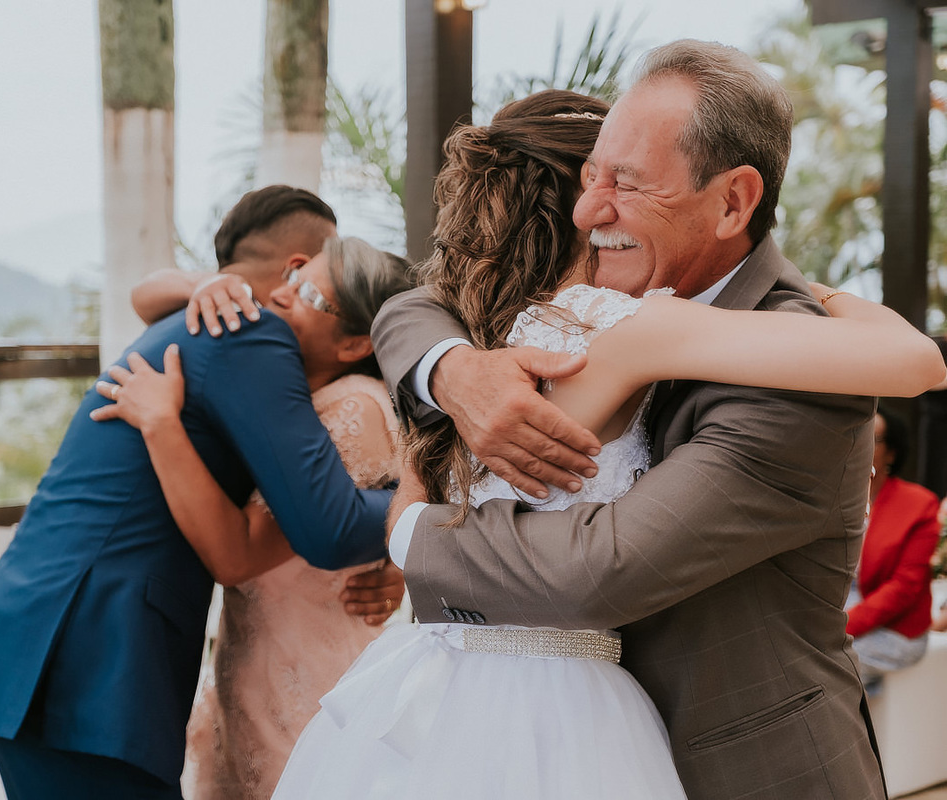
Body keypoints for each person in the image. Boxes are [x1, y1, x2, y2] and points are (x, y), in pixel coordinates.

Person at [332, 42, 945, 799]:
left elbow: (598, 569)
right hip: (538, 747)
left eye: (626, 183)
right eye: (591, 177)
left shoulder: (807, 366)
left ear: (733, 201)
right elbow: (417, 303)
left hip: (736, 770)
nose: (592, 211)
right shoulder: (595, 296)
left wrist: (409, 532)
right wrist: (453, 371)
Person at [0, 192, 405, 800]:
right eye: (300, 274)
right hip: (90, 650)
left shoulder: (195, 320)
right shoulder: (251, 332)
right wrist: (427, 513)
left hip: (49, 635)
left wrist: (395, 559)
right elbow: (326, 528)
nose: (293, 289)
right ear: (293, 260)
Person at [99, 235, 411, 799]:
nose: (285, 296)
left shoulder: (349, 408)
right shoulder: (296, 394)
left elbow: (237, 556)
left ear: (355, 343)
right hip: (258, 664)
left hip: (302, 679)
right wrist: (205, 283)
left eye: (311, 293)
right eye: (293, 279)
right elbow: (145, 295)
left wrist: (161, 424)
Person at [847, 407, 941, 690]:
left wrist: (842, 626)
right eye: (855, 433)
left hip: (893, 630)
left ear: (892, 453)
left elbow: (904, 588)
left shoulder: (919, 505)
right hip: (838, 618)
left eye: (872, 438)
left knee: (821, 667)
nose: (860, 443)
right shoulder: (833, 500)